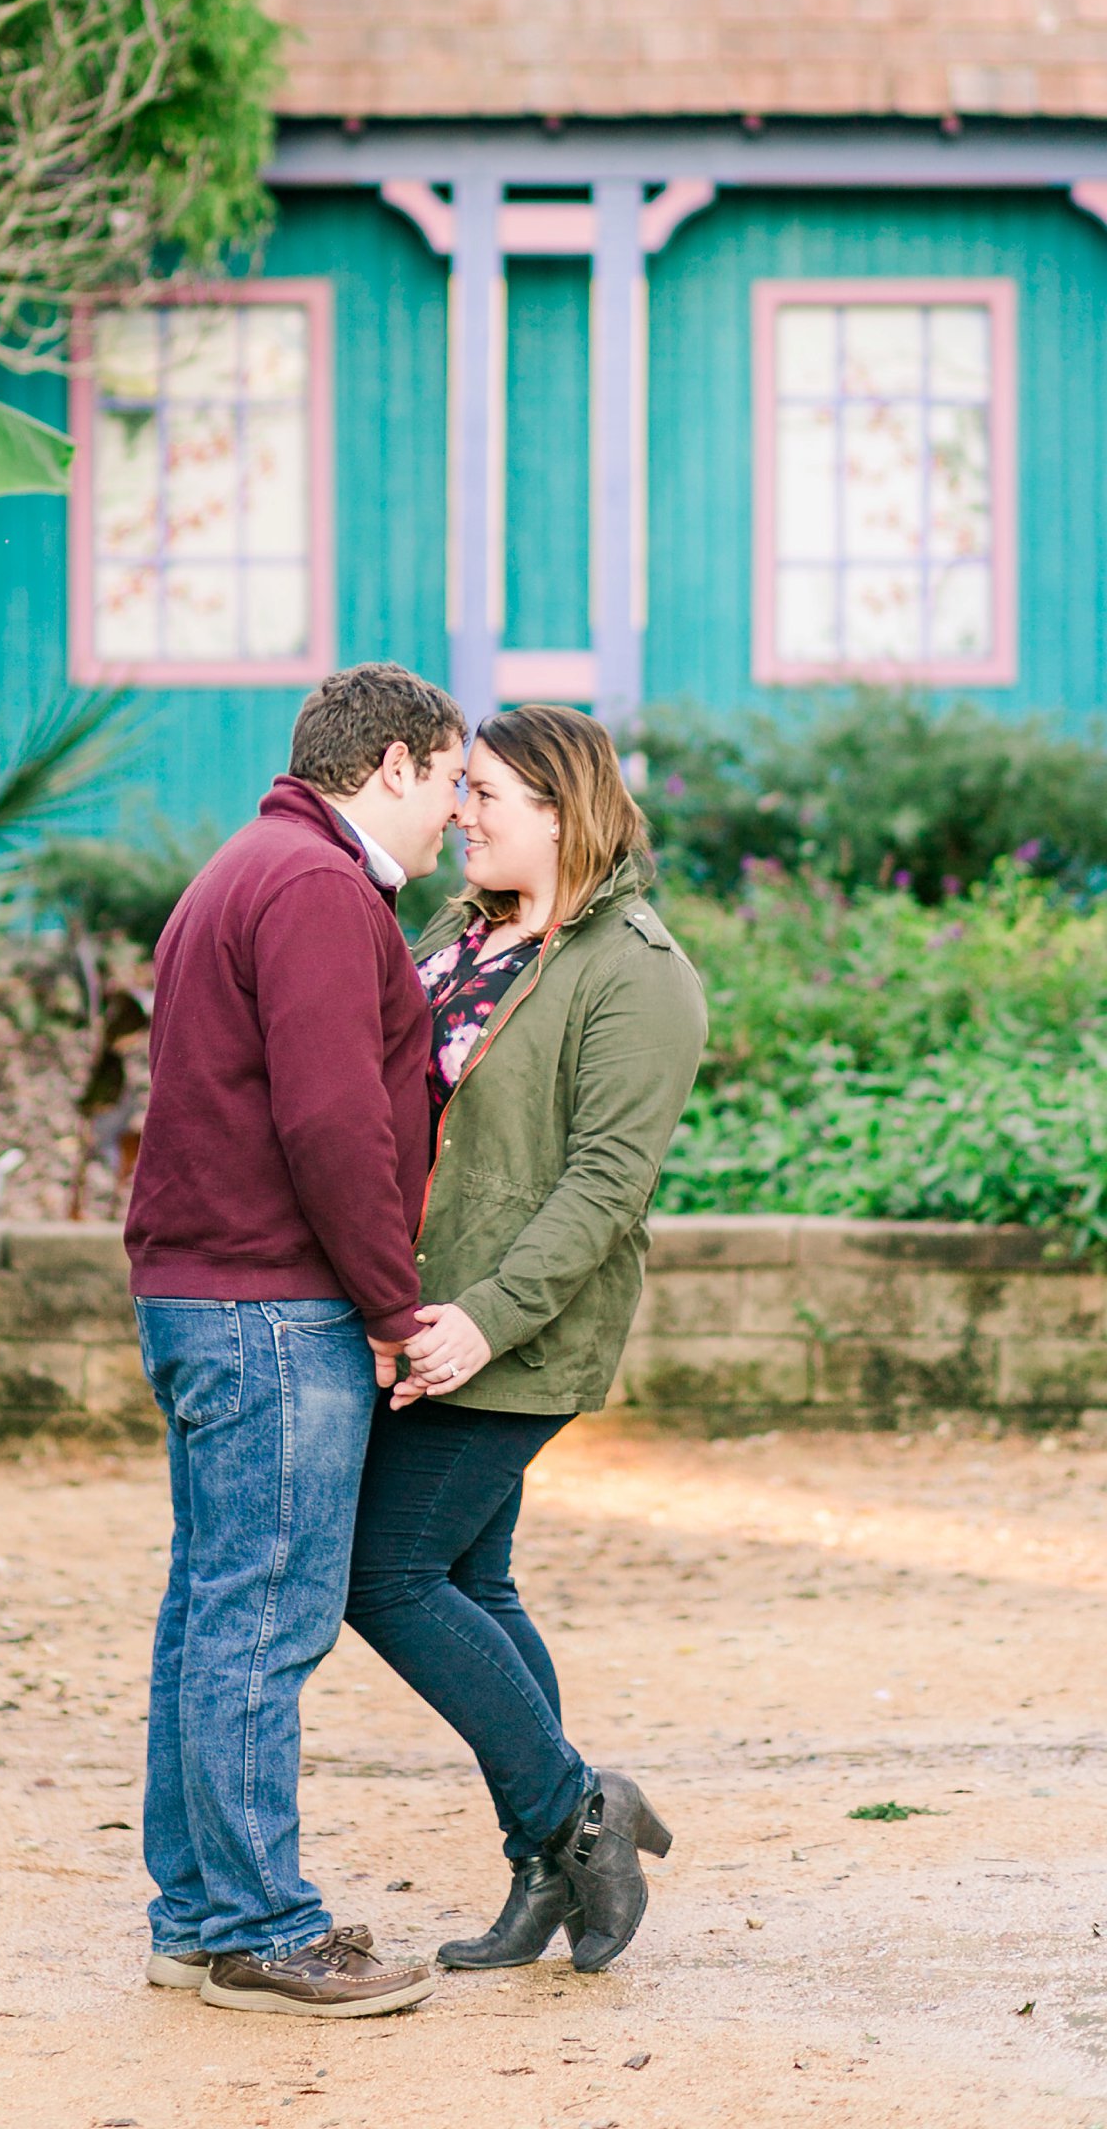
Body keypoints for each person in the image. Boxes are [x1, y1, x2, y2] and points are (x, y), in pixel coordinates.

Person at [124, 663, 465, 2020]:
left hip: (209, 1294)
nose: (452, 812)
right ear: (391, 764)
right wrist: (393, 1307)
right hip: (269, 1305)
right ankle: (263, 1929)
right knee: (261, 1620)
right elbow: (334, 1126)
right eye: (448, 780)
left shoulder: (250, 865)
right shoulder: (319, 888)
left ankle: (202, 1918)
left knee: (214, 1613)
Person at [345, 704, 706, 1976]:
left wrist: (482, 1320)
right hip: (422, 1314)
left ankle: (576, 1816)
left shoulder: (637, 970)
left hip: (512, 1329)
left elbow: (606, 1183)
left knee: (379, 1575)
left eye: (486, 794)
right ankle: (545, 1870)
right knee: (473, 1585)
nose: (460, 812)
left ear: (558, 810)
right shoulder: (460, 933)